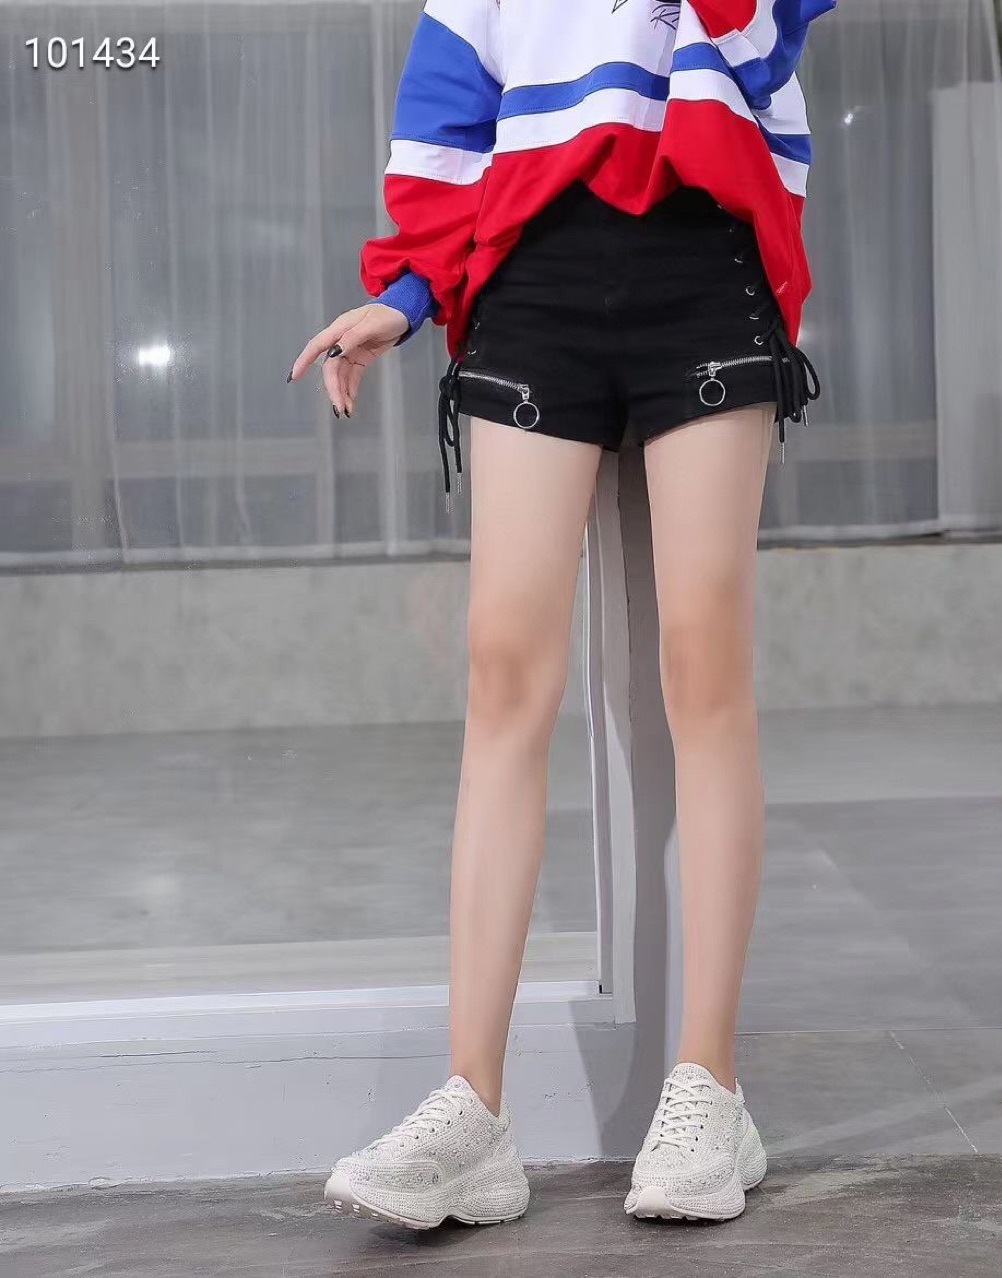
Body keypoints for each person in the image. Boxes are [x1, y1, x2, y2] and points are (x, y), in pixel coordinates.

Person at [290, 0, 833, 1228]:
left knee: (702, 668)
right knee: (502, 674)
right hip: (530, 283)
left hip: (704, 266)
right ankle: (473, 1112)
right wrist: (407, 293)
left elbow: (762, 50)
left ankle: (708, 1087)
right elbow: (446, 126)